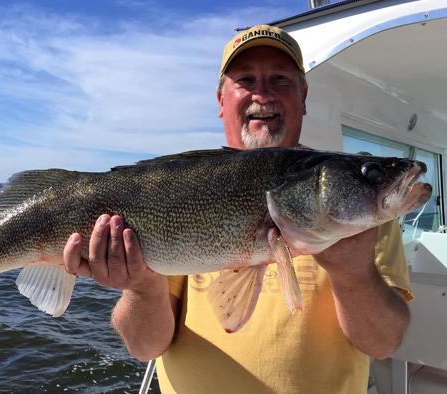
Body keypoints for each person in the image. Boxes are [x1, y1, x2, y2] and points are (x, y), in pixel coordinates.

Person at [62, 24, 412, 393]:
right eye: (246, 79)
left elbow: (383, 343)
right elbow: (146, 347)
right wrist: (142, 287)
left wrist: (356, 274)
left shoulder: (364, 221)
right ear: (221, 101)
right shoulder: (180, 189)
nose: (263, 94)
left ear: (303, 96)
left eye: (280, 79)